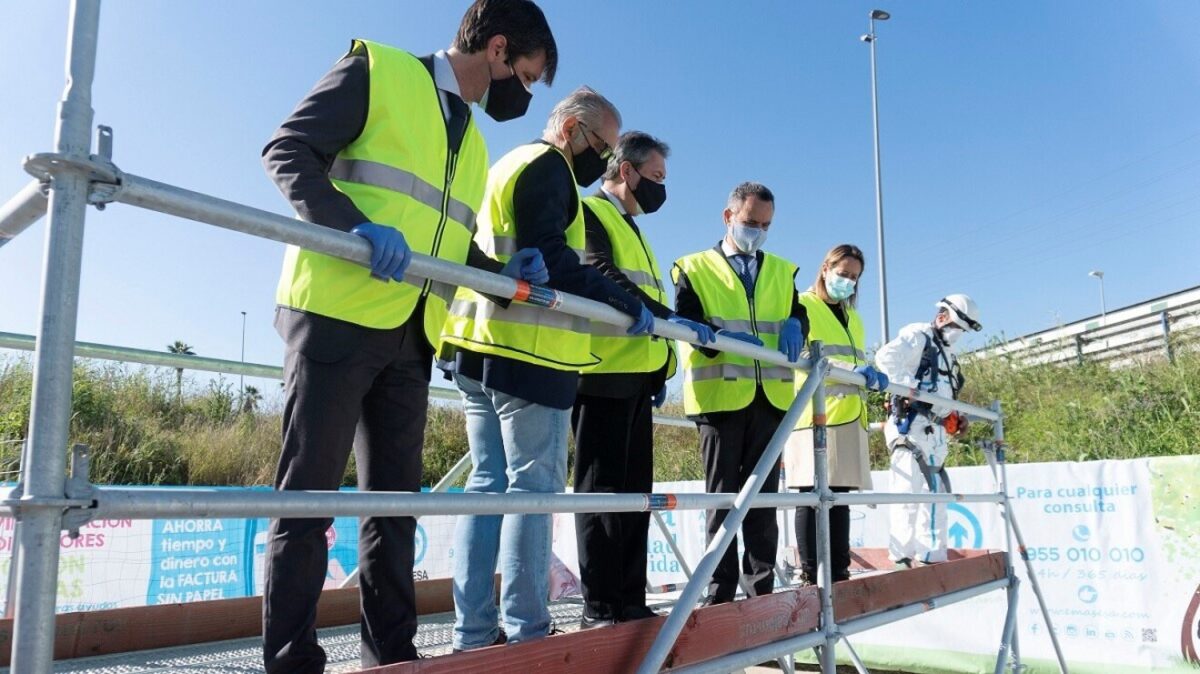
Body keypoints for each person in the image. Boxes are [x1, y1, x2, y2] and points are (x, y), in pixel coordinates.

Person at [259, 1, 557, 670]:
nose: (527, 94)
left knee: (394, 510)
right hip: (336, 315)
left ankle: (390, 656)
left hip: (413, 336)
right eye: (529, 77)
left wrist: (500, 274)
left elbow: (442, 243)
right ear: (499, 49)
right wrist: (351, 223)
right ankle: (290, 661)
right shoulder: (380, 71)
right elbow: (285, 149)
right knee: (306, 502)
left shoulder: (474, 143)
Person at [439, 86, 656, 650]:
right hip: (526, 352)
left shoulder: (506, 161)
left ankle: (474, 630)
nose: (604, 162)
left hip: (474, 339)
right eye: (602, 148)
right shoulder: (549, 166)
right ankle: (528, 629)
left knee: (488, 488)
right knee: (532, 491)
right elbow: (555, 259)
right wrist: (621, 299)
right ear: (570, 130)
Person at [572, 132, 715, 629]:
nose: (661, 189)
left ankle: (630, 599)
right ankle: (601, 605)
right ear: (627, 171)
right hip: (602, 372)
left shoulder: (633, 227)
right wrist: (662, 317)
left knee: (636, 495)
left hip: (638, 375)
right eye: (655, 177)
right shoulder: (593, 212)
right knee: (600, 494)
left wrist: (661, 363)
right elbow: (600, 272)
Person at [672, 182, 807, 605]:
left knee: (763, 506)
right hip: (720, 403)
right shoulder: (691, 267)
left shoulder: (783, 271)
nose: (758, 232)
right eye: (751, 223)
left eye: (766, 225)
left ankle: (761, 597)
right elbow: (689, 324)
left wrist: (798, 325)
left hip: (770, 401)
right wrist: (727, 341)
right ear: (728, 217)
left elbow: (797, 312)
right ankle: (719, 596)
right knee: (724, 503)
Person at [782, 244, 888, 584]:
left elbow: (851, 357)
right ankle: (811, 572)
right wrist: (856, 369)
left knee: (839, 497)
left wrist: (866, 371)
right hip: (813, 410)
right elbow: (804, 354)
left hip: (848, 412)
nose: (848, 281)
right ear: (825, 269)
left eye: (854, 277)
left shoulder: (852, 316)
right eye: (843, 274)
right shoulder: (802, 304)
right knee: (810, 495)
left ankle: (838, 571)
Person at [875, 294, 982, 567]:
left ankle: (932, 557)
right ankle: (901, 557)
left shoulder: (947, 353)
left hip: (934, 433)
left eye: (963, 331)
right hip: (910, 428)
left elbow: (943, 392)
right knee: (907, 497)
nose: (958, 334)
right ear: (943, 316)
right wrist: (907, 388)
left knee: (935, 499)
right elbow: (885, 357)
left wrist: (957, 416)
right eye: (957, 327)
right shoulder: (918, 336)